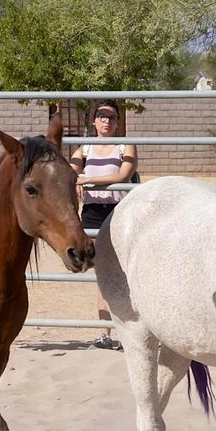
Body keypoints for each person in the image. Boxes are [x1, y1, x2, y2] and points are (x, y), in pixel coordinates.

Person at [71, 99, 138, 350]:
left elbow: (124, 175)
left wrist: (87, 180)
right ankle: (104, 333)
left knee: (123, 272)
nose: (106, 121)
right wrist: (78, 176)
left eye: (111, 117)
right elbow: (71, 168)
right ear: (94, 120)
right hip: (92, 212)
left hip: (119, 211)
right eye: (102, 116)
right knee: (102, 274)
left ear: (118, 122)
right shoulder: (85, 147)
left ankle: (129, 332)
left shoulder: (125, 144)